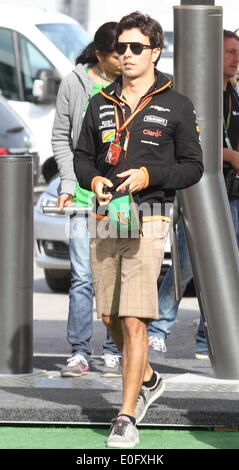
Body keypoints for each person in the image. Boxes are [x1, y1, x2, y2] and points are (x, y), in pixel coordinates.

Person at [74, 11, 203, 448]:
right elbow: (82, 158)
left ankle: (126, 416)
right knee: (109, 315)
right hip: (108, 214)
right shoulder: (99, 101)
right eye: (122, 47)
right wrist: (91, 179)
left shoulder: (176, 103)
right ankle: (148, 378)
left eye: (135, 47)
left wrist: (150, 176)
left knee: (134, 317)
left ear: (155, 52)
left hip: (151, 215)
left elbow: (193, 167)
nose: (125, 54)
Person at [148, 29, 239, 359]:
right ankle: (156, 330)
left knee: (228, 267)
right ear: (213, 55)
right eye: (228, 51)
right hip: (202, 191)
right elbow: (192, 141)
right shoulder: (199, 94)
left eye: (236, 51)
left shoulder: (234, 93)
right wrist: (229, 157)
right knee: (187, 265)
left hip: (232, 192)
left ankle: (208, 337)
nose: (235, 58)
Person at [51, 22, 122, 379]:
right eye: (116, 53)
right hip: (82, 195)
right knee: (81, 277)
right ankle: (80, 352)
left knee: (116, 277)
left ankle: (114, 351)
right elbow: (61, 137)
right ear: (100, 55)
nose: (124, 58)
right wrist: (67, 181)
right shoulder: (74, 83)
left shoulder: (133, 83)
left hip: (122, 197)